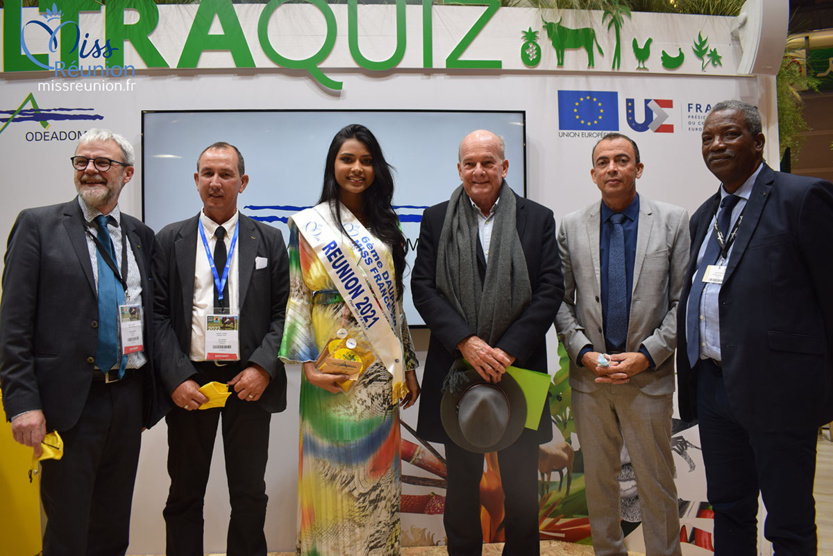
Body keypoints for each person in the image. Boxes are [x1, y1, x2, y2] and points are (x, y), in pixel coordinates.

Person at [677, 100, 833, 554]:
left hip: (779, 391)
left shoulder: (802, 199)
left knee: (788, 521)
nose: (716, 145)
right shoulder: (705, 216)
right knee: (728, 509)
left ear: (759, 142)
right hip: (713, 389)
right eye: (707, 138)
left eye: (729, 134)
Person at [0, 129, 166, 555]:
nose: (90, 169)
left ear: (127, 174)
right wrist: (22, 403)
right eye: (81, 161)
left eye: (102, 162)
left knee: (112, 527)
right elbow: (13, 324)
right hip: (67, 403)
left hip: (127, 399)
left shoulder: (140, 236)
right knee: (68, 529)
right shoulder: (37, 225)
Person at [412, 129, 563, 555]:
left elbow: (550, 289)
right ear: (459, 168)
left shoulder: (537, 218)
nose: (479, 171)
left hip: (521, 367)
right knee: (460, 486)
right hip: (456, 369)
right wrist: (467, 343)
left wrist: (507, 349)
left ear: (504, 166)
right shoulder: (436, 218)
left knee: (520, 488)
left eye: (488, 162)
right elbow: (423, 288)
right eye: (470, 163)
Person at [278, 124, 420, 555]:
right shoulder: (308, 226)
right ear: (333, 165)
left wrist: (408, 367)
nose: (357, 168)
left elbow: (394, 307)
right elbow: (298, 298)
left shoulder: (387, 228)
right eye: (347, 159)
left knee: (375, 480)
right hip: (328, 373)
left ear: (376, 167)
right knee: (329, 476)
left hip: (379, 377)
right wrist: (306, 367)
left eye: (365, 160)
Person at [554, 133, 688, 556]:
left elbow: (682, 302)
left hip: (647, 377)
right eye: (604, 162)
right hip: (590, 379)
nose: (613, 168)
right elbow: (558, 299)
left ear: (638, 168)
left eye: (622, 160)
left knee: (656, 485)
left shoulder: (672, 220)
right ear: (593, 174)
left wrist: (647, 355)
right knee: (599, 485)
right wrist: (583, 353)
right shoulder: (572, 226)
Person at [153, 142, 289, 556]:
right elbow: (156, 316)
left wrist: (263, 367)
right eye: (207, 173)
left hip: (247, 381)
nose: (216, 182)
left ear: (242, 182)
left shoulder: (268, 239)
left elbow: (286, 313)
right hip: (190, 382)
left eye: (226, 174)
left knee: (249, 494)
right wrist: (176, 377)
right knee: (184, 494)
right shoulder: (168, 239)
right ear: (195, 181)